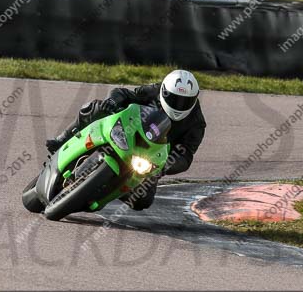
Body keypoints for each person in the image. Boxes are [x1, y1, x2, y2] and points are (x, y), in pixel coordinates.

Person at [46, 69, 206, 211]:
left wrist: (166, 165)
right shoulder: (154, 91)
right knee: (95, 108)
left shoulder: (196, 123)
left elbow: (186, 156)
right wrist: (112, 102)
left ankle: (108, 190)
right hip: (124, 132)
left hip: (150, 161)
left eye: (185, 101)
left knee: (143, 200)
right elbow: (126, 94)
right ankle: (62, 140)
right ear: (164, 91)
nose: (179, 104)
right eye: (174, 98)